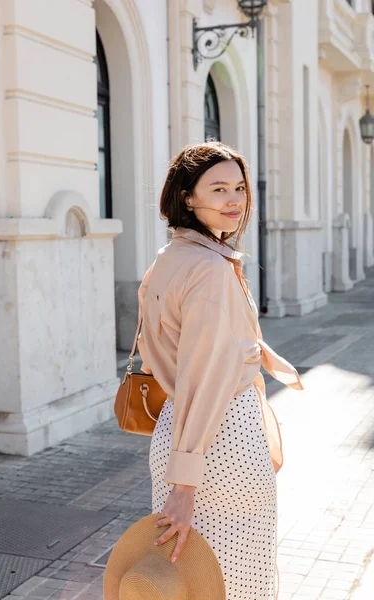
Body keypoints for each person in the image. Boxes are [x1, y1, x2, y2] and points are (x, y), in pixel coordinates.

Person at [136, 142, 303, 600]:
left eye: (240, 188)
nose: (235, 200)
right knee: (235, 583)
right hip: (220, 440)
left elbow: (169, 355)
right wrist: (185, 485)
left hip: (177, 430)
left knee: (185, 581)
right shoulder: (210, 268)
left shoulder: (167, 260)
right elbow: (206, 379)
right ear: (188, 197)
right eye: (219, 188)